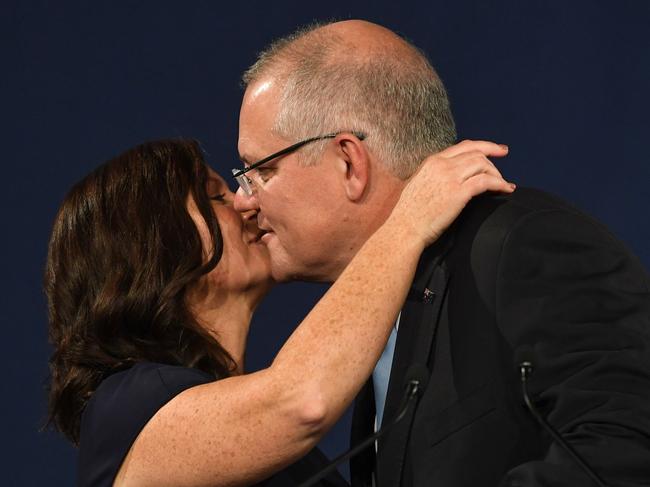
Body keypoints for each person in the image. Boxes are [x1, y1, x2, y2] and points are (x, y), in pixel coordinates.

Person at [233, 19, 650, 486]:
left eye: (260, 170)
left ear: (350, 162)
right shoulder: (391, 306)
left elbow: (627, 445)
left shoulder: (520, 244)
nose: (243, 201)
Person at [45, 138, 513, 486]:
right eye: (215, 196)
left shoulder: (285, 455)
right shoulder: (125, 408)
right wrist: (408, 223)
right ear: (150, 245)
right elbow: (301, 401)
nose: (246, 204)